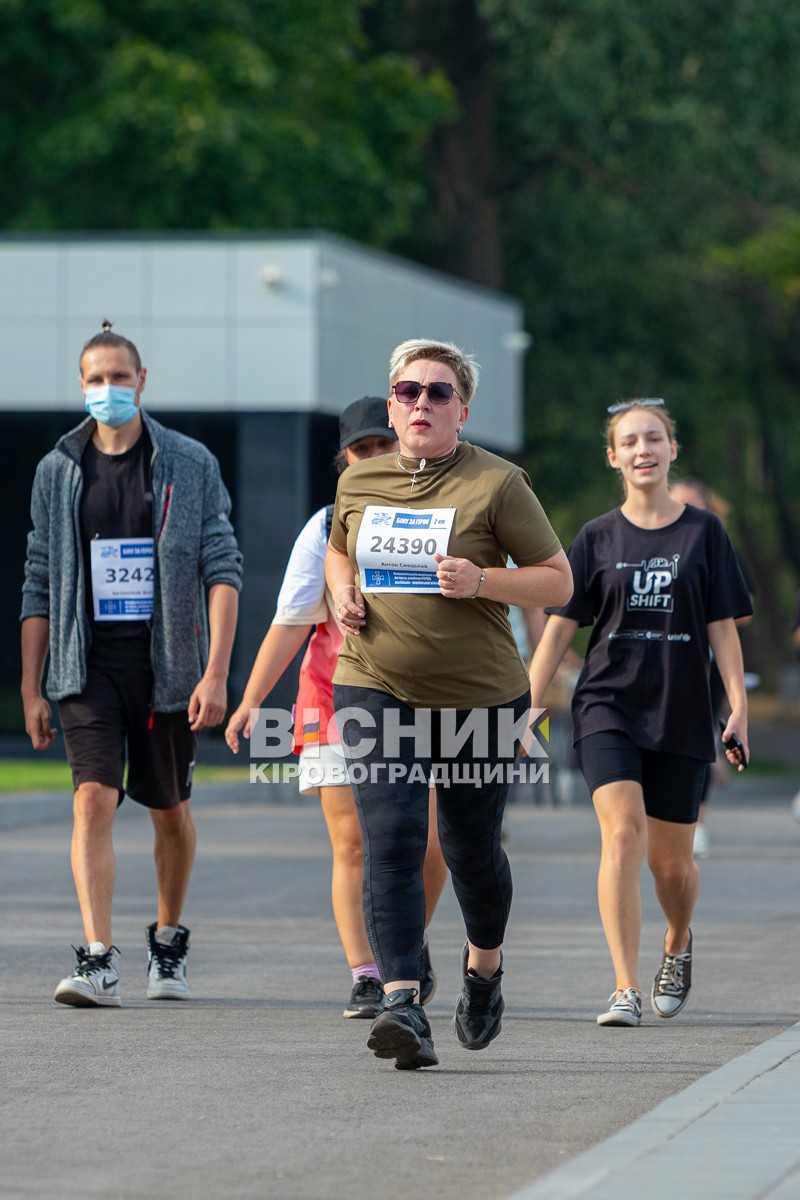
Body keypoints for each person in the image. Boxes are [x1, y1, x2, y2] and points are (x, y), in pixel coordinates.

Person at [326, 338, 572, 1069]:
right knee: (394, 838)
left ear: (462, 410)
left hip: (479, 697)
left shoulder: (498, 483)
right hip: (374, 681)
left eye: (438, 393)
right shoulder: (359, 482)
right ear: (393, 402)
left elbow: (557, 582)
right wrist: (341, 589)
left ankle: (483, 971)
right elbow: (341, 548)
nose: (422, 403)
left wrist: (481, 581)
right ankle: (403, 1002)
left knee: (470, 851)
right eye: (408, 391)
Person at [21, 321, 242, 1007]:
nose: (108, 389)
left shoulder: (188, 462)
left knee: (170, 811)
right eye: (96, 378)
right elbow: (38, 579)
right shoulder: (58, 470)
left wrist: (215, 672)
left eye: (120, 377)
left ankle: (168, 943)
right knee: (93, 799)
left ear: (142, 382)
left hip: (168, 665)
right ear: (80, 384)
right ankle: (97, 958)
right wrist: (32, 686)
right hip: (86, 668)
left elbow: (222, 566)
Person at [528, 398, 751, 1029]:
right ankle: (624, 987)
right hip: (607, 704)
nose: (642, 450)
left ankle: (677, 941)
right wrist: (524, 708)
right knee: (622, 833)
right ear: (614, 456)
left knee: (672, 865)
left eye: (653, 438)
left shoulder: (703, 532)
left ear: (671, 449)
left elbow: (724, 629)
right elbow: (559, 631)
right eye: (629, 441)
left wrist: (736, 708)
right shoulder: (597, 537)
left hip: (681, 710)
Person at [225, 396, 449, 1019]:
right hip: (333, 698)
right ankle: (368, 975)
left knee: (428, 847)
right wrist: (250, 701)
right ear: (344, 459)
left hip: (425, 700)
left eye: (385, 444)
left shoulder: (438, 512)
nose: (375, 456)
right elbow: (291, 621)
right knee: (354, 845)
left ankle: (405, 942)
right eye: (362, 449)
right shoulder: (325, 527)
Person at [669, 478, 754, 859]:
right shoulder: (649, 541)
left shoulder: (718, 545)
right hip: (657, 664)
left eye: (692, 504)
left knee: (698, 740)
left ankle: (696, 824)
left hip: (706, 664)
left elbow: (741, 608)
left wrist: (705, 615)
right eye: (678, 503)